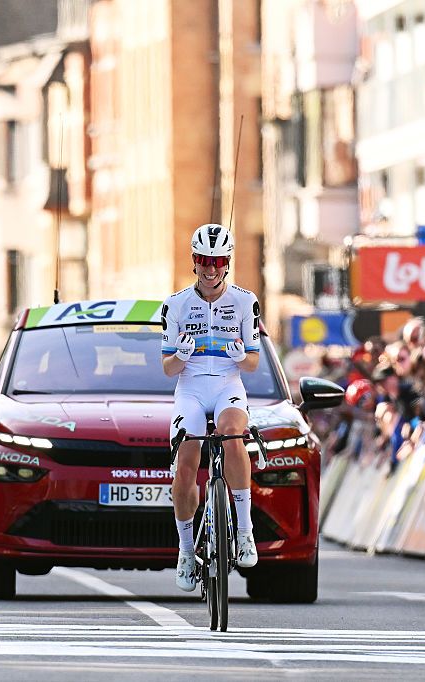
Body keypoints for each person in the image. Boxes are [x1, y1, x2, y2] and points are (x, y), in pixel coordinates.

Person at [160, 223, 262, 592]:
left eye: (218, 261)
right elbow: (167, 368)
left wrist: (242, 356)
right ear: (194, 261)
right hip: (190, 389)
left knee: (234, 435)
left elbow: (252, 363)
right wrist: (181, 356)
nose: (211, 267)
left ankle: (246, 531)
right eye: (204, 260)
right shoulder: (175, 304)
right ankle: (186, 551)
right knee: (186, 464)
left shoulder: (244, 300)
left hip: (226, 385)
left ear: (227, 262)